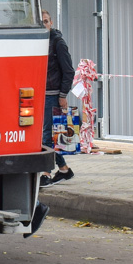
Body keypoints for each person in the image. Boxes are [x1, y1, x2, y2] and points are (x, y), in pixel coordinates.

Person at [41, 9, 76, 186]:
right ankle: (64, 170)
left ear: (51, 22)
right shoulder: (39, 42)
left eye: (46, 21)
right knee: (51, 136)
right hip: (42, 95)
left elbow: (69, 71)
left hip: (53, 95)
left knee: (47, 136)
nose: (44, 25)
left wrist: (63, 95)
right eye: (41, 22)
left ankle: (46, 173)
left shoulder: (57, 43)